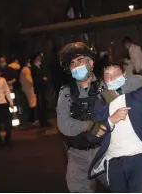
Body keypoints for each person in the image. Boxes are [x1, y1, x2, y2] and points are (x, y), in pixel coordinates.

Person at [87, 61, 142, 193]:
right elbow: (91, 136)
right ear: (103, 80)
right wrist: (110, 120)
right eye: (108, 75)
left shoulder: (138, 94)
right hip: (114, 161)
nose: (112, 78)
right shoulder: (100, 102)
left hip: (140, 157)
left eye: (116, 74)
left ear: (124, 74)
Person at [57, 42, 107, 192]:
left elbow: (120, 113)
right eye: (72, 63)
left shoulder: (104, 87)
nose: (77, 65)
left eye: (80, 60)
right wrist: (89, 126)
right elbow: (64, 124)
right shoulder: (66, 92)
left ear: (90, 62)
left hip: (105, 152)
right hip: (77, 155)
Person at [30, 53, 51, 127]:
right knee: (40, 105)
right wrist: (42, 79)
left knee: (44, 104)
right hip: (38, 89)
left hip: (42, 88)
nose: (39, 60)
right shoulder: (33, 68)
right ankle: (42, 121)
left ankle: (45, 120)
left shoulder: (40, 67)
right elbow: (34, 79)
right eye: (38, 59)